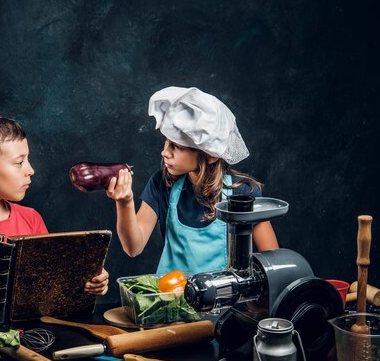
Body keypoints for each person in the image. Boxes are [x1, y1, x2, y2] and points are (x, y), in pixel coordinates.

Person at [105, 87, 279, 274]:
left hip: (222, 302)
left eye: (177, 146)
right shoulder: (161, 184)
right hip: (170, 300)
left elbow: (274, 264)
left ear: (211, 155)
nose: (165, 152)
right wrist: (124, 202)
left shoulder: (242, 194)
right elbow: (133, 247)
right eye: (166, 141)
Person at [0, 113, 109, 295]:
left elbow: (50, 283)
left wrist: (88, 281)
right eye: (19, 162)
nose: (31, 170)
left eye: (28, 160)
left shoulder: (32, 219)